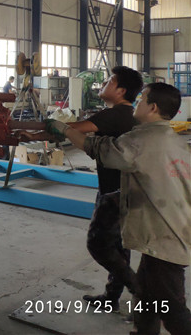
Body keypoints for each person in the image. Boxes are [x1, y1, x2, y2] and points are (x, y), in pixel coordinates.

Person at [48, 83, 191, 335]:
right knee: (146, 298)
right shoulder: (176, 141)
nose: (137, 102)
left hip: (165, 240)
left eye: (142, 99)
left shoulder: (141, 140)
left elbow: (99, 149)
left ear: (153, 107)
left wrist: (64, 129)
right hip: (171, 230)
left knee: (173, 311)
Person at [19, 65, 144, 312]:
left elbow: (73, 129)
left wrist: (33, 135)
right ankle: (112, 297)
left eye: (110, 81)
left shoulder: (115, 114)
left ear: (121, 91)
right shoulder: (125, 115)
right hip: (125, 188)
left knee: (99, 244)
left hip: (115, 192)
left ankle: (140, 290)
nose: (103, 84)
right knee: (118, 245)